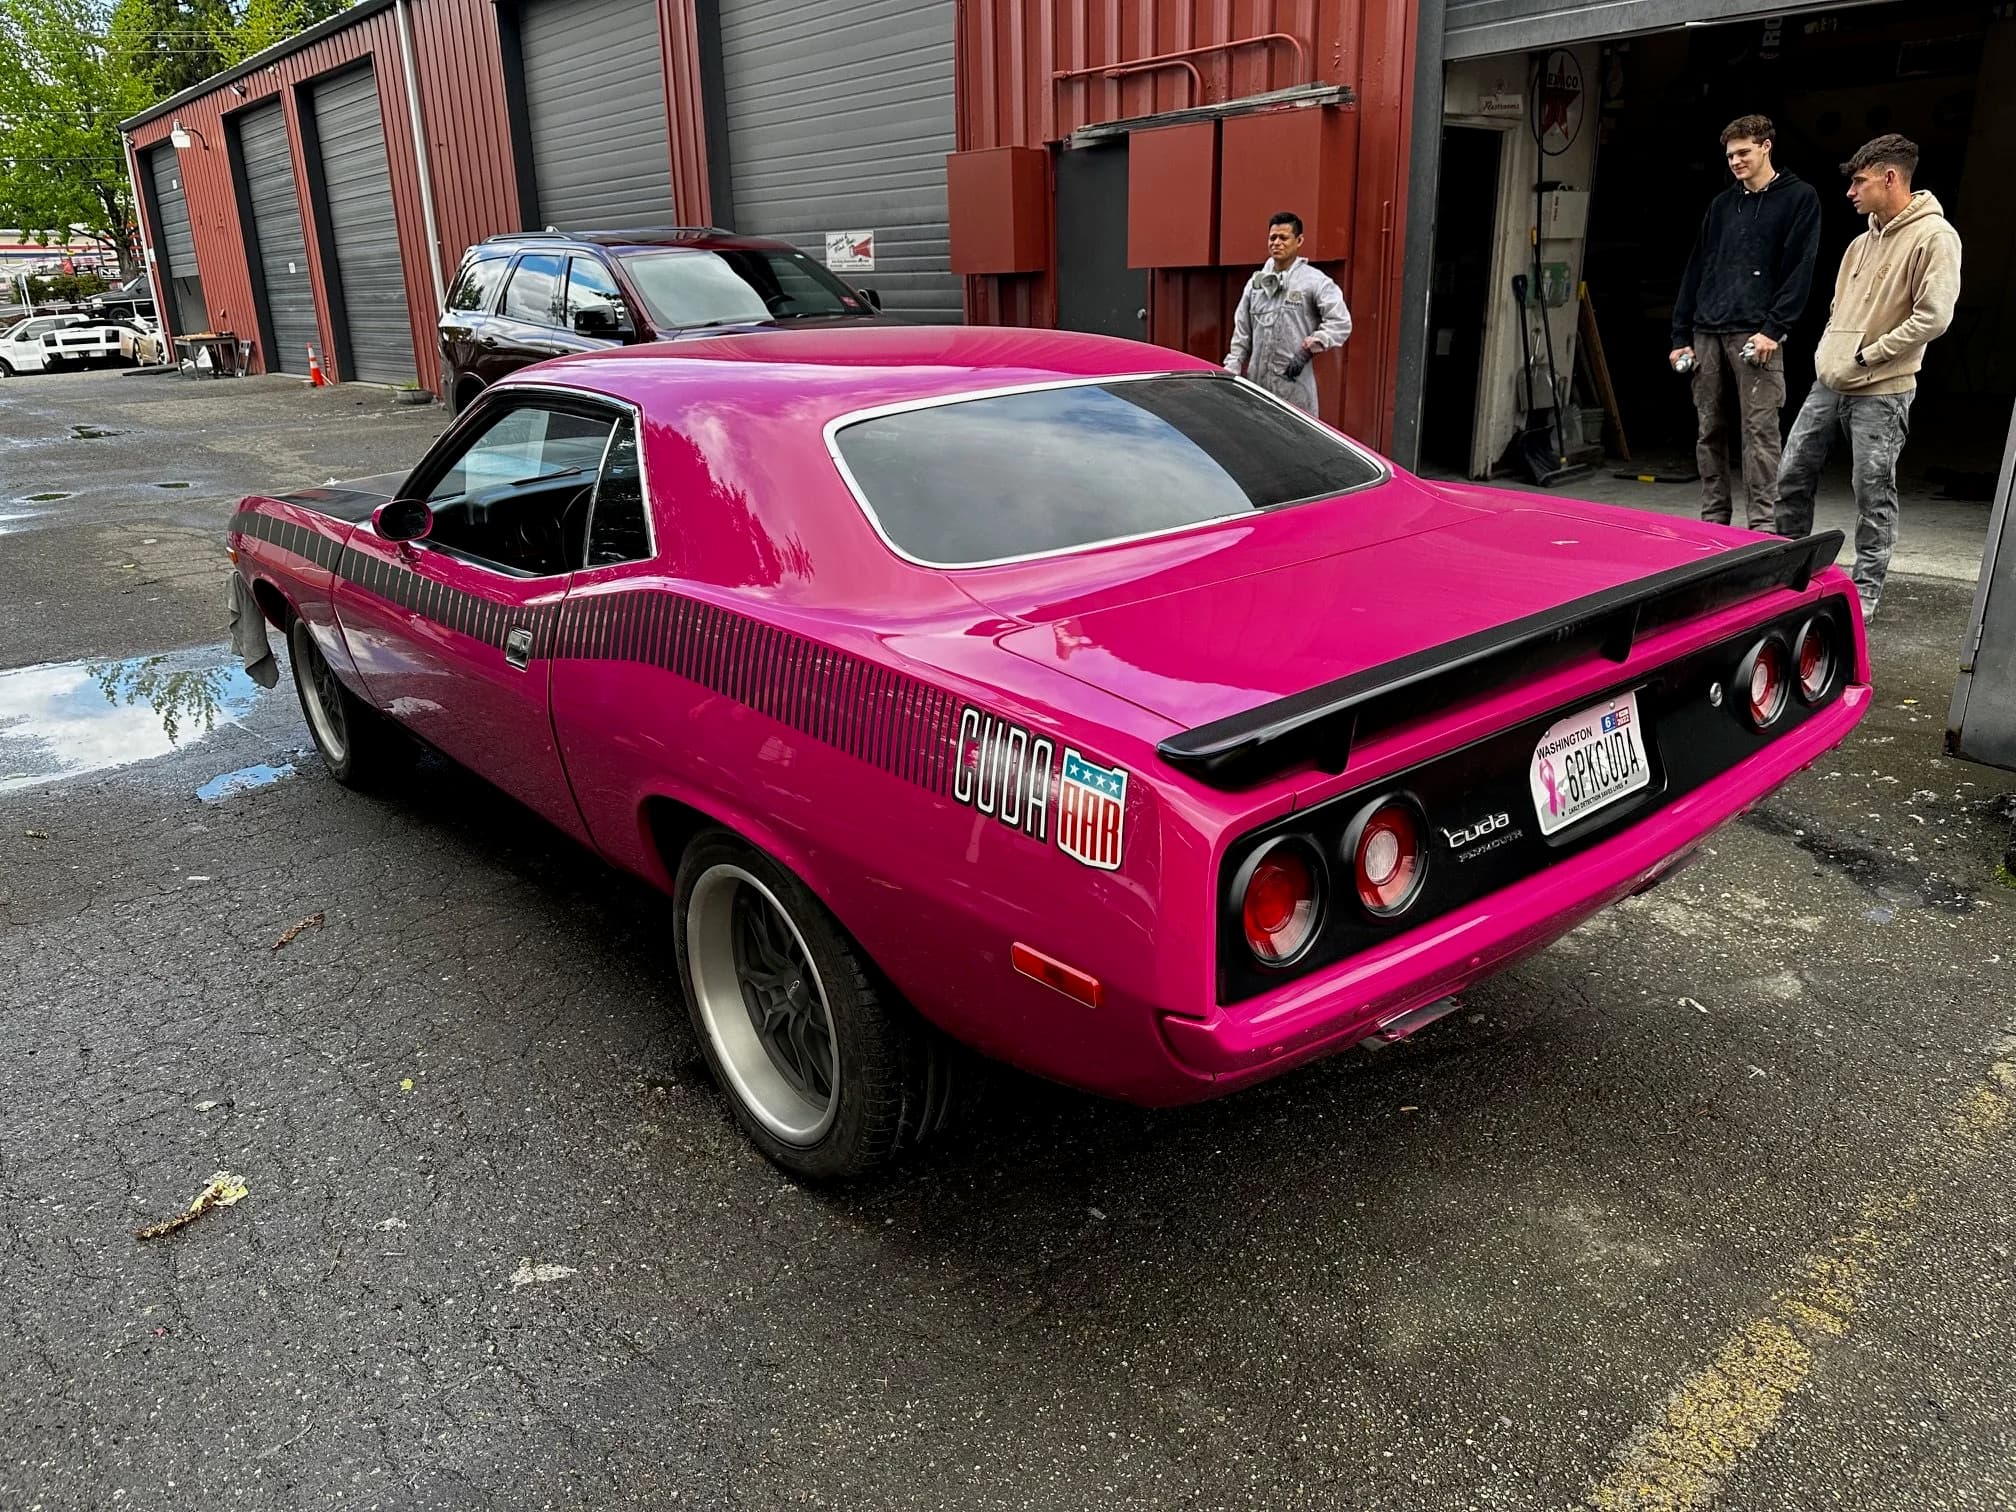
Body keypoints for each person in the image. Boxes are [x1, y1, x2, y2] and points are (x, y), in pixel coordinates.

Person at [1774, 134, 1962, 622]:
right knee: (1792, 471)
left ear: (1890, 177)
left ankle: (1866, 591)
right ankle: (1786, 572)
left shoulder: (1935, 237)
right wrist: (1830, 353)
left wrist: (1870, 355)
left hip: (1882, 389)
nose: (1851, 192)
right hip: (1830, 380)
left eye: (1859, 181)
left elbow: (1934, 316)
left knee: (1872, 489)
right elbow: (1839, 308)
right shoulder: (1860, 242)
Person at [1669, 114, 1822, 531]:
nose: (1735, 161)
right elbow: (1696, 268)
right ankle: (1714, 519)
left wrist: (1775, 328)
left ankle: (1764, 526)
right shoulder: (1721, 205)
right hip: (1706, 331)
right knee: (1708, 429)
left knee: (1760, 431)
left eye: (1743, 152)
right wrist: (1680, 335)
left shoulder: (1799, 198)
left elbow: (1799, 269)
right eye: (1731, 155)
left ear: (1766, 146)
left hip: (1757, 332)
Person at [1224, 211, 1351, 413]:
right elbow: (1241, 333)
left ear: (1299, 240)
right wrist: (1232, 370)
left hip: (1294, 391)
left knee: (1294, 441)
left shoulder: (1314, 282)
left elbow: (1341, 322)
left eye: (1284, 238)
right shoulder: (1256, 285)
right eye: (1272, 237)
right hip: (1257, 390)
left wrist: (1310, 347)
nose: (1276, 243)